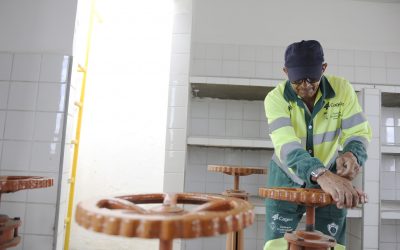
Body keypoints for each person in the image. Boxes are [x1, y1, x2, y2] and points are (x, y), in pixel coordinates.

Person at [263, 40, 372, 250]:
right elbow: (287, 146)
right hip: (286, 176)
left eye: (312, 77)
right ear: (286, 72)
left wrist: (352, 155)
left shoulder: (342, 90)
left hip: (331, 173)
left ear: (323, 68)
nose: (306, 86)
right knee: (277, 245)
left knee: (332, 245)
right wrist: (321, 175)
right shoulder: (275, 99)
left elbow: (358, 131)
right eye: (298, 80)